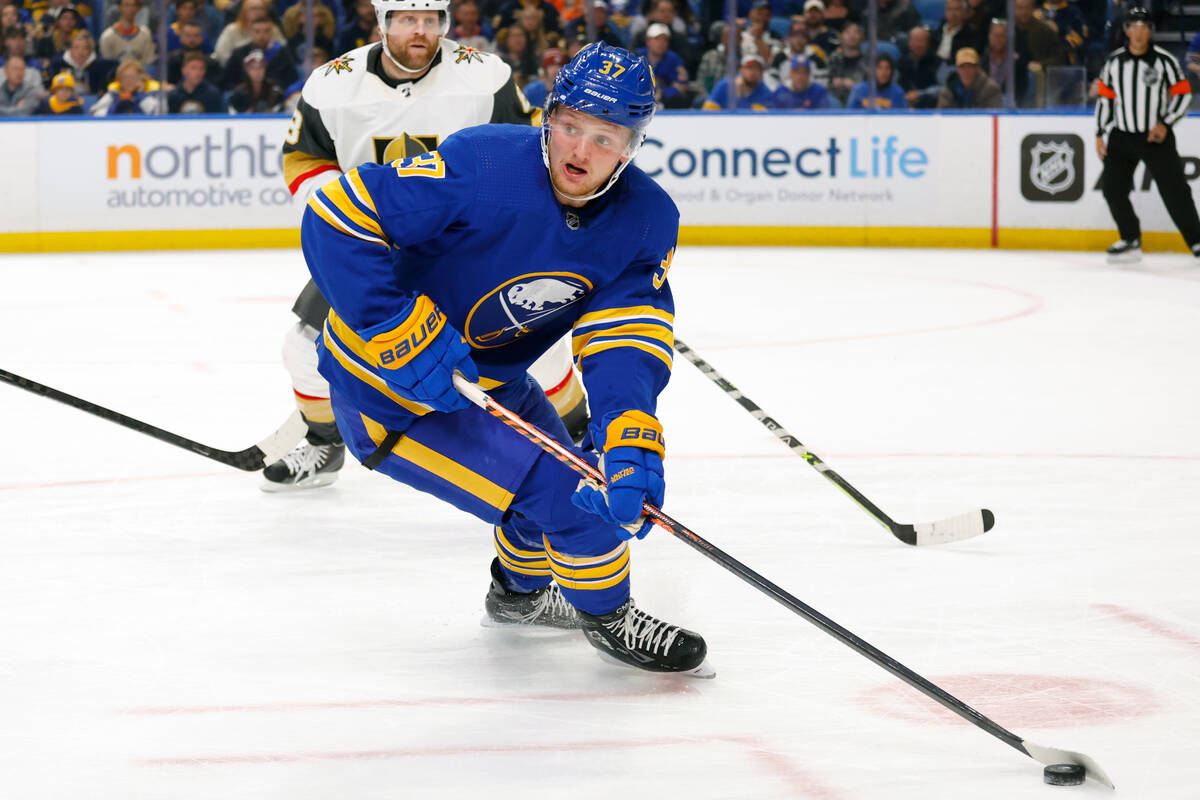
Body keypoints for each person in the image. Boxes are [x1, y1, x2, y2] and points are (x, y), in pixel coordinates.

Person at [299, 42, 711, 677]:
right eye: (570, 126)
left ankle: (516, 597)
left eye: (604, 138)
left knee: (587, 476)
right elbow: (338, 213)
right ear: (548, 117)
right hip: (385, 396)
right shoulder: (484, 162)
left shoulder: (647, 219)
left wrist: (630, 435)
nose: (579, 152)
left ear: (631, 145)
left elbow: (624, 334)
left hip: (494, 381)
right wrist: (394, 328)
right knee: (572, 494)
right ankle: (607, 615)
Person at [271, 0, 587, 491]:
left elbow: (532, 154)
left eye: (430, 20)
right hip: (371, 250)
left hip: (471, 248)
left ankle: (582, 440)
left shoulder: (484, 78)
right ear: (382, 23)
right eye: (406, 20)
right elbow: (305, 160)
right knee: (303, 347)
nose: (420, 32)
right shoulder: (332, 86)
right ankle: (324, 442)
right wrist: (339, 224)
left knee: (540, 354)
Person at [1095, 7, 1200, 262]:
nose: (1139, 32)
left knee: (1175, 191)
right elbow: (1106, 99)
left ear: (1150, 31)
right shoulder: (1114, 62)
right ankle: (1130, 238)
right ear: (1127, 31)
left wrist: (1166, 123)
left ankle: (1197, 241)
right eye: (1134, 26)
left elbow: (1183, 93)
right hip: (1122, 135)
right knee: (1112, 188)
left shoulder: (1165, 61)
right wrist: (1099, 133)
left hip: (1156, 138)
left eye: (1144, 27)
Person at [223, 15, 297, 90]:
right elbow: (226, 80)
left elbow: (292, 79)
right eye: (257, 31)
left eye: (266, 31)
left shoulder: (282, 53)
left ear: (271, 32)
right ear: (250, 32)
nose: (261, 36)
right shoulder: (240, 53)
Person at [637, 20, 689, 108]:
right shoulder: (637, 57)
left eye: (665, 40)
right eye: (657, 39)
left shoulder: (674, 59)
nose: (661, 43)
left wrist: (662, 93)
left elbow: (681, 86)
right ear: (648, 41)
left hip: (665, 102)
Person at [701, 52, 774, 109]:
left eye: (757, 68)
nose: (753, 72)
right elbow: (707, 112)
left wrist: (741, 98)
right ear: (741, 70)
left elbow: (765, 119)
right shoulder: (724, 86)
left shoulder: (765, 93)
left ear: (761, 73)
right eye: (749, 67)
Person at [90, 57, 159, 114]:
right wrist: (115, 105)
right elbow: (94, 112)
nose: (128, 81)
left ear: (140, 78)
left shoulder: (151, 94)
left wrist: (141, 94)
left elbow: (156, 112)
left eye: (132, 77)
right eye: (124, 77)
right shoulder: (113, 95)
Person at [936, 45, 1000, 107]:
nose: (966, 71)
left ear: (978, 68)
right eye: (962, 66)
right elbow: (942, 115)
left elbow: (994, 114)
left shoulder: (991, 89)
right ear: (957, 70)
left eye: (970, 66)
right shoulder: (948, 90)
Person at [897, 25, 940, 108]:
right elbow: (893, 85)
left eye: (922, 40)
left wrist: (920, 94)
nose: (918, 44)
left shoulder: (938, 63)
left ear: (928, 43)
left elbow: (943, 88)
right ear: (909, 42)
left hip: (929, 108)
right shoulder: (900, 62)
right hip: (903, 106)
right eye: (915, 40)